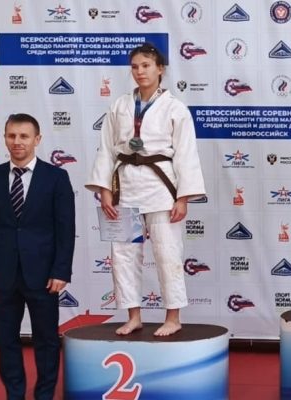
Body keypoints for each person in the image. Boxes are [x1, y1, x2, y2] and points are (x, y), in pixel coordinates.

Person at [86, 43, 206, 336]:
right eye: (135, 67)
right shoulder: (120, 105)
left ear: (160, 69)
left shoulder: (175, 108)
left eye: (146, 65)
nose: (140, 71)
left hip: (160, 187)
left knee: (167, 252)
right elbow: (106, 149)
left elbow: (186, 154)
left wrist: (183, 197)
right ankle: (133, 315)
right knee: (123, 254)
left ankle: (173, 317)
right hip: (125, 184)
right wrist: (105, 189)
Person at [0, 113, 75, 400]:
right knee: (6, 342)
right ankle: (14, 394)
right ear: (5, 138)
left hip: (44, 276)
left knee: (47, 341)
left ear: (37, 139)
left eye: (24, 136)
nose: (17, 141)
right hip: (1, 276)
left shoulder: (56, 177)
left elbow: (65, 229)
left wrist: (61, 271)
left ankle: (44, 395)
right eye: (11, 135)